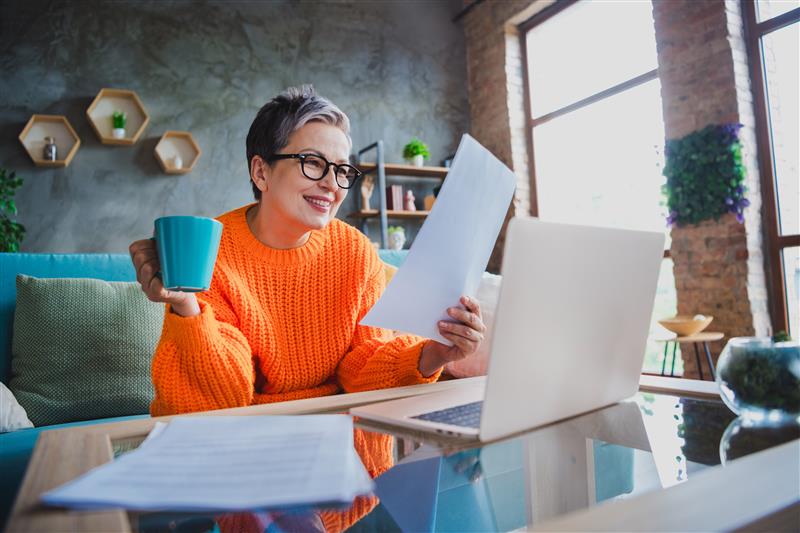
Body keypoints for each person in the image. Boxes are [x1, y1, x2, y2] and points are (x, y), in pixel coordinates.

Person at [129, 85, 486, 532]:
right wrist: (186, 307)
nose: (332, 185)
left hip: (345, 456)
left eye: (342, 171)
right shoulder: (209, 250)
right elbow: (224, 400)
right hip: (251, 452)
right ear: (261, 171)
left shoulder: (354, 250)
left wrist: (435, 352)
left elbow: (362, 365)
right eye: (313, 163)